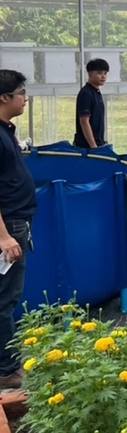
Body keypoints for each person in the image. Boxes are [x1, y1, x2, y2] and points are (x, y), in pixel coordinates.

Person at [0, 71, 36, 390]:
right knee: (5, 299)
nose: (26, 98)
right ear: (4, 98)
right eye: (22, 93)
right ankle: (7, 369)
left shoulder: (6, 132)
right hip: (8, 227)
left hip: (16, 223)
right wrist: (4, 236)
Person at [73, 59, 109, 149]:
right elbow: (84, 122)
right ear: (90, 74)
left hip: (98, 144)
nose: (103, 76)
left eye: (105, 73)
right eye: (99, 73)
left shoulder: (97, 93)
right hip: (87, 147)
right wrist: (93, 147)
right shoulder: (86, 94)